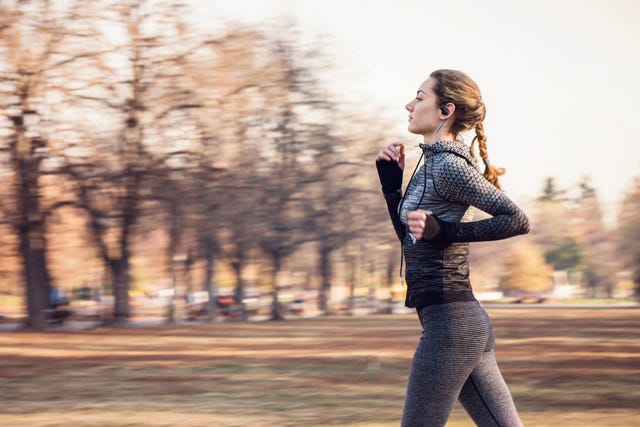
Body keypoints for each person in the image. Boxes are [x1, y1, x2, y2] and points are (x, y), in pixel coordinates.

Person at [375, 69, 529, 427]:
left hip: (451, 326)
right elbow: (412, 242)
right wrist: (391, 189)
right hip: (460, 324)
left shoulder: (448, 166)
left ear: (446, 110)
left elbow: (516, 219)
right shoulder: (429, 164)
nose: (409, 105)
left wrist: (446, 230)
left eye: (419, 97)